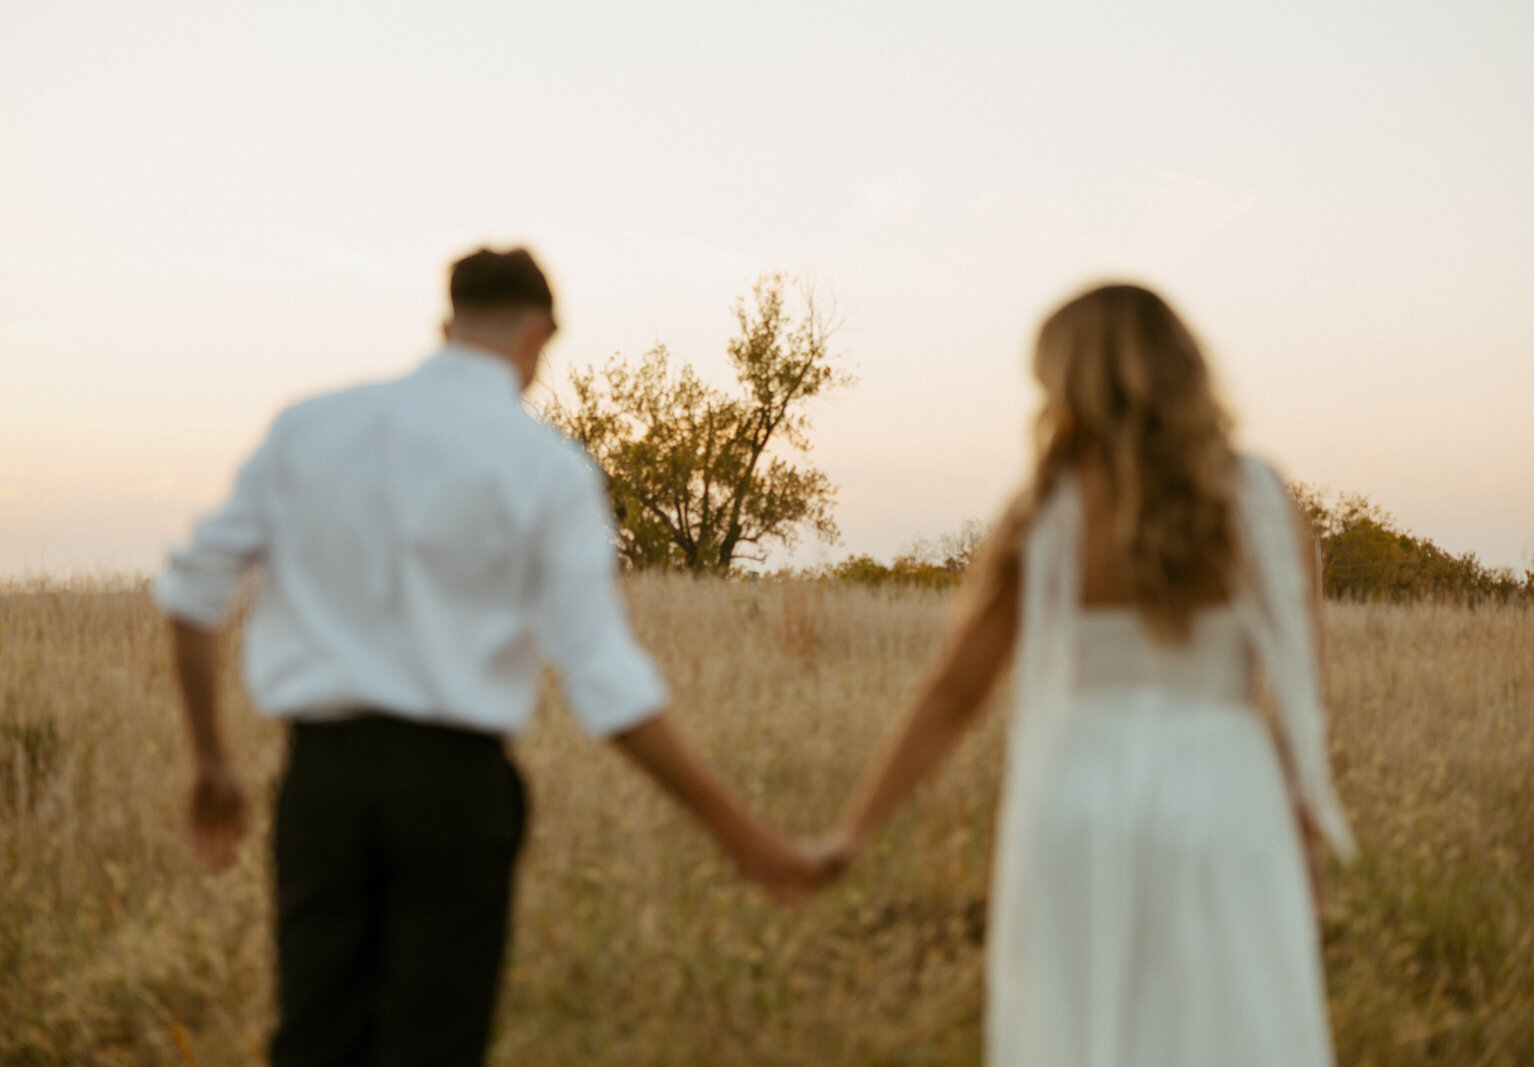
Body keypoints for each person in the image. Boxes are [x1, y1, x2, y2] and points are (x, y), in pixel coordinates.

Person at [155, 247, 822, 1067]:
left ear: (446, 324)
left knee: (314, 1037)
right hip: (456, 789)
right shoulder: (548, 468)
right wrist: (739, 832)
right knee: (434, 1045)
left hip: (323, 777)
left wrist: (210, 757)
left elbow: (192, 594)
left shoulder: (310, 426)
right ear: (542, 332)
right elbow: (605, 680)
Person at [813, 283, 1358, 1066]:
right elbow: (1303, 696)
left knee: (1088, 1030)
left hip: (1080, 794)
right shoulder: (1262, 501)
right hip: (1226, 791)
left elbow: (955, 692)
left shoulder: (1044, 512)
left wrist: (852, 831)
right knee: (1230, 1029)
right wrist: (1303, 832)